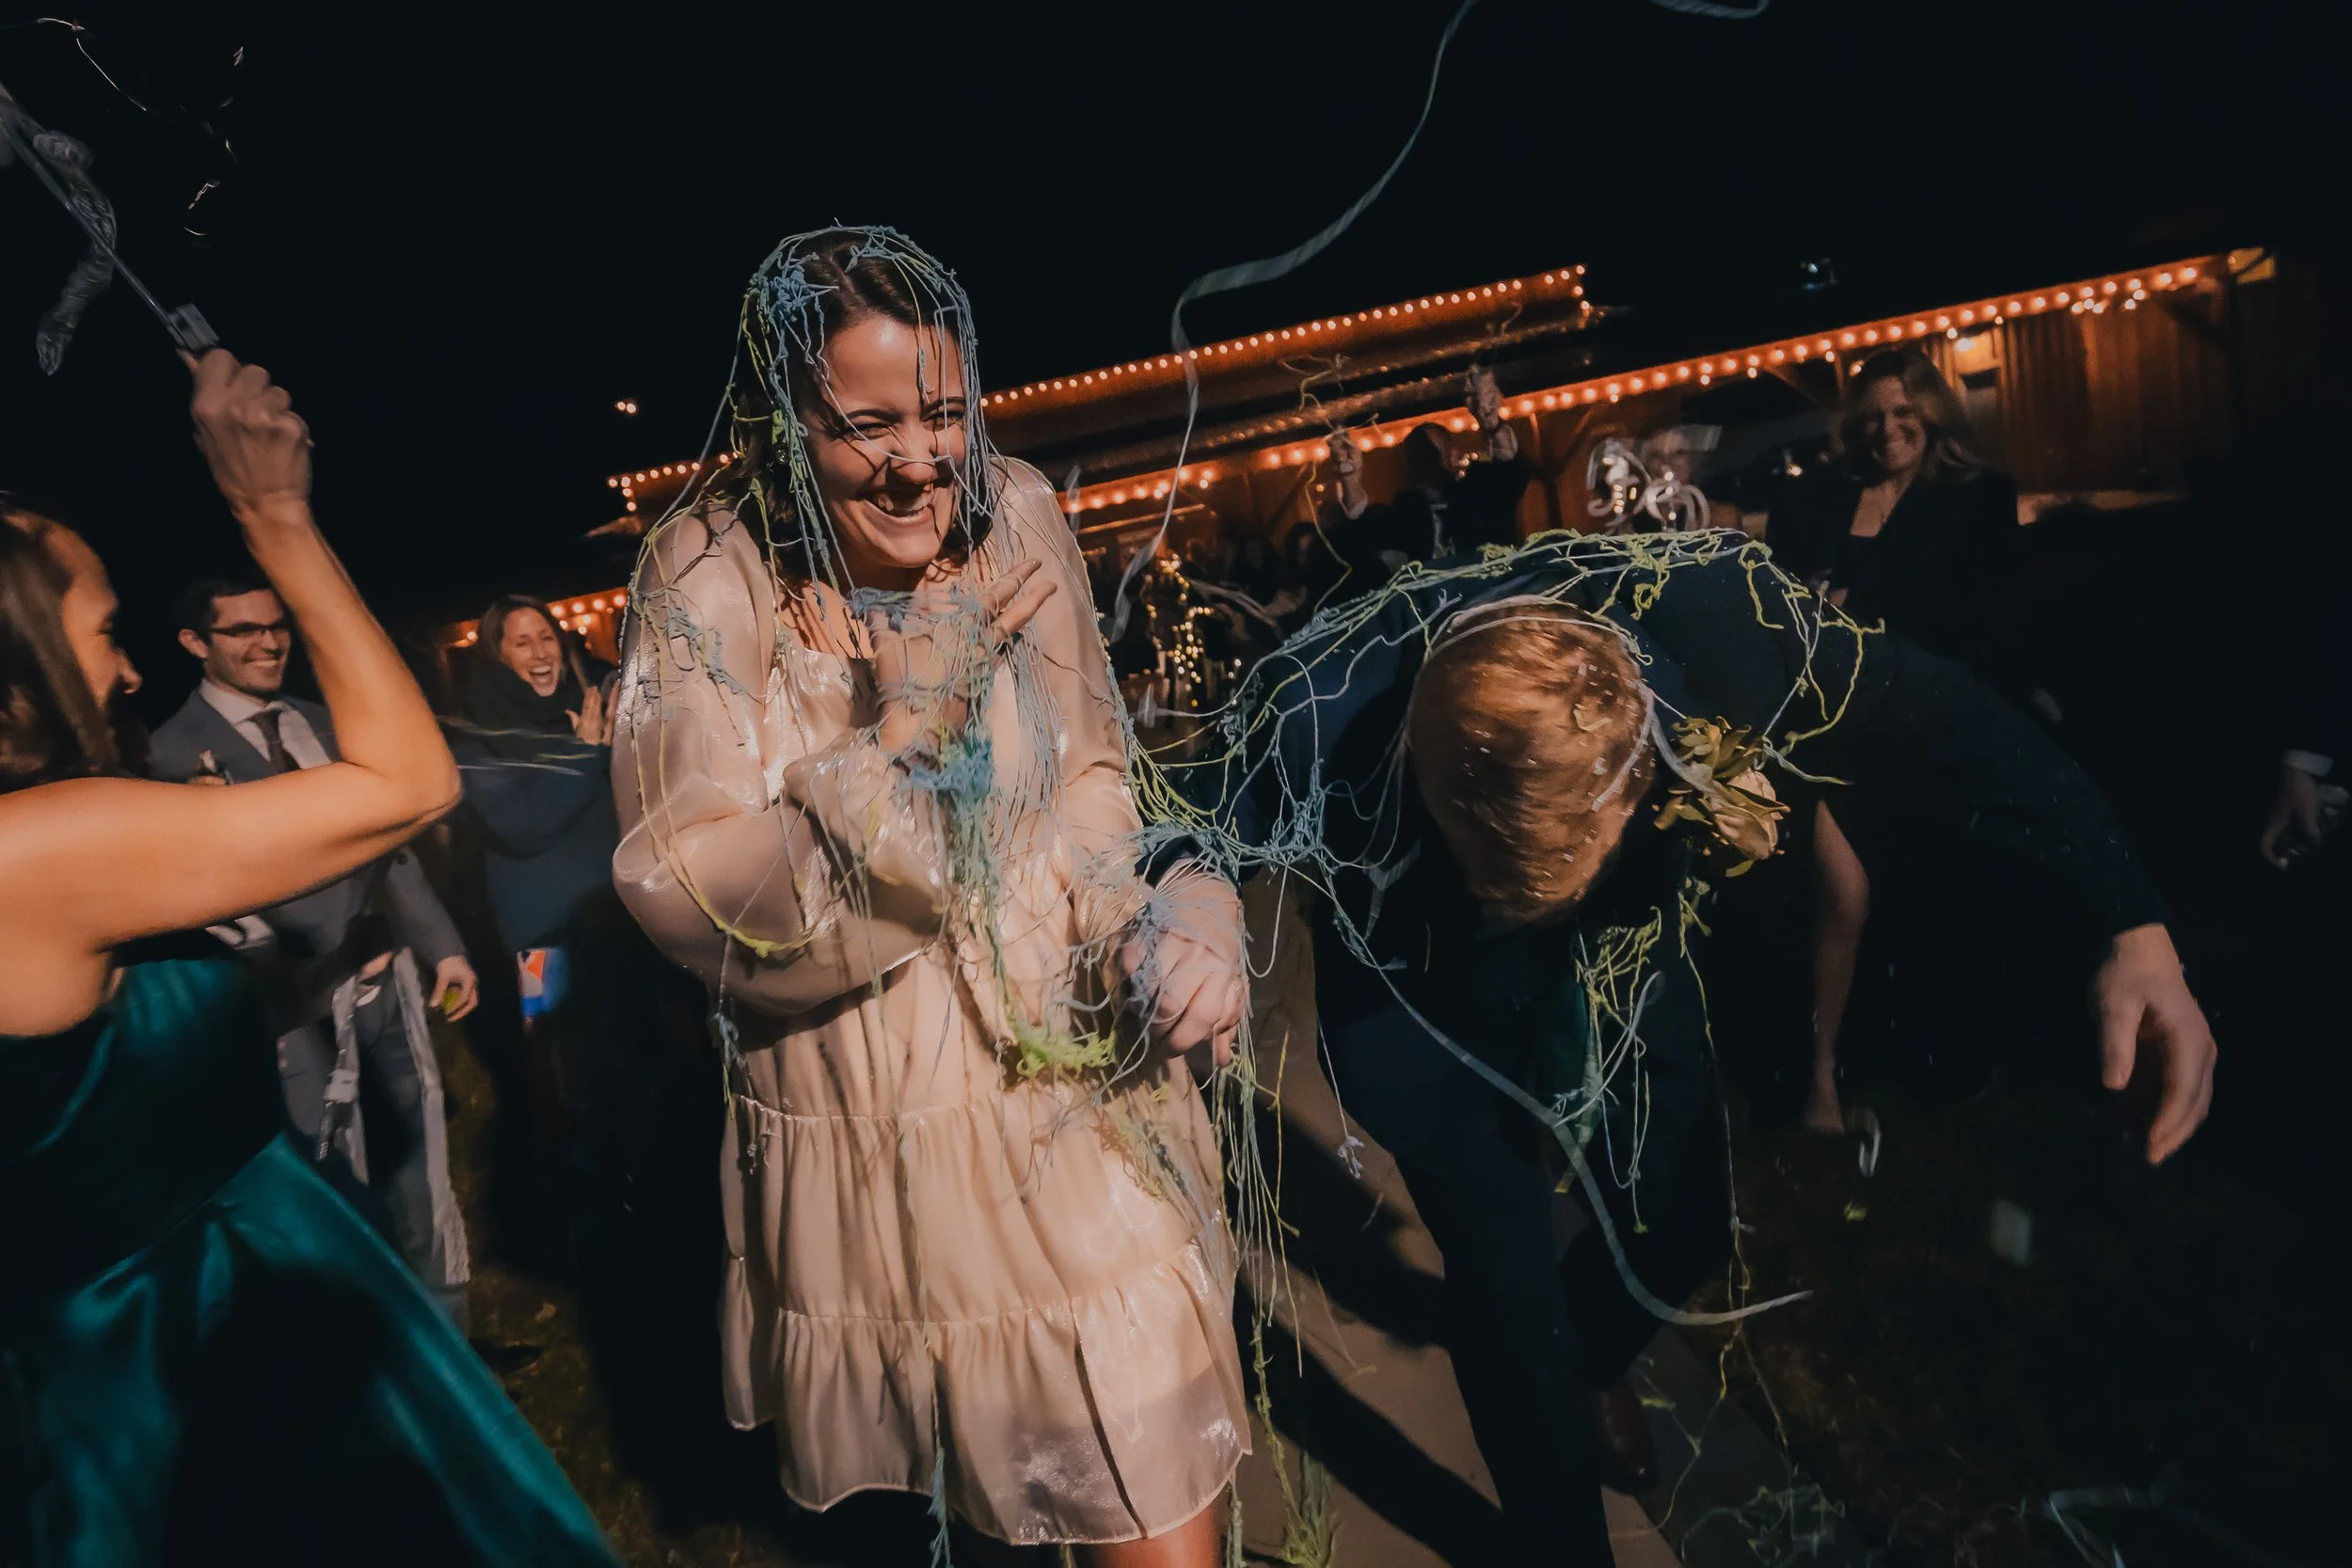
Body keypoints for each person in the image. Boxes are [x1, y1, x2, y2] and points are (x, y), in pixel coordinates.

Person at [1168, 532, 2216, 1564]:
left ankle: (1591, 1353)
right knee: (1500, 1272)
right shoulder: (1319, 698)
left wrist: (2130, 927)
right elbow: (1173, 806)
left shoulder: (1725, 625)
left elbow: (1940, 716)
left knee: (1680, 1224)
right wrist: (1198, 891)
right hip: (1420, 982)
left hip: (1627, 949)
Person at [610, 229, 1248, 1565]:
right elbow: (687, 888)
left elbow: (1087, 778)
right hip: (884, 1163)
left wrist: (1155, 917)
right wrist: (894, 740)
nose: (920, 458)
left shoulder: (1015, 507)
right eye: (869, 423)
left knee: (1163, 1515)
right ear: (787, 417)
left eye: (945, 411)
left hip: (1076, 1110)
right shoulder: (705, 573)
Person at [0, 354, 616, 1566]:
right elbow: (408, 782)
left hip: (212, 1324)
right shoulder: (37, 849)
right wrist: (273, 517)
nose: (125, 670)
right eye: (104, 631)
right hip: (208, 1358)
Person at [151, 572, 481, 1322]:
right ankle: (375, 1351)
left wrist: (443, 947)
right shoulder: (170, 756)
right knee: (336, 1173)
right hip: (295, 1008)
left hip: (387, 981)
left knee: (422, 1162)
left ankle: (453, 1348)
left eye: (277, 625)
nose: (269, 642)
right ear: (194, 643)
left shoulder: (319, 721)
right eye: (242, 630)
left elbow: (389, 845)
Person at [1765, 348, 2022, 1132]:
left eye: (1904, 415)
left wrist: (1856, 608)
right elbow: (1782, 594)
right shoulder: (1823, 498)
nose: (1888, 431)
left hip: (1924, 723)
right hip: (1828, 728)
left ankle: (1943, 1055)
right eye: (1873, 416)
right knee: (1844, 893)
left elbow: (1982, 619)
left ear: (1933, 416)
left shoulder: (1976, 498)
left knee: (1936, 892)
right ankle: (1822, 1080)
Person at [451, 594, 675, 1270]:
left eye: (546, 636)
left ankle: (652, 1210)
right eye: (520, 642)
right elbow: (521, 826)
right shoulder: (476, 739)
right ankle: (575, 1230)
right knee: (557, 1080)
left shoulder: (593, 711)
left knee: (639, 1068)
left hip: (615, 924)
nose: (541, 653)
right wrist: (585, 755)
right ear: (495, 657)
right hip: (541, 945)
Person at [1390, 366, 1533, 562]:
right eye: (1428, 455)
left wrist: (1492, 423)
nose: (1444, 458)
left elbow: (1511, 470)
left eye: (1445, 449)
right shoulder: (1406, 513)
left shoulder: (1478, 490)